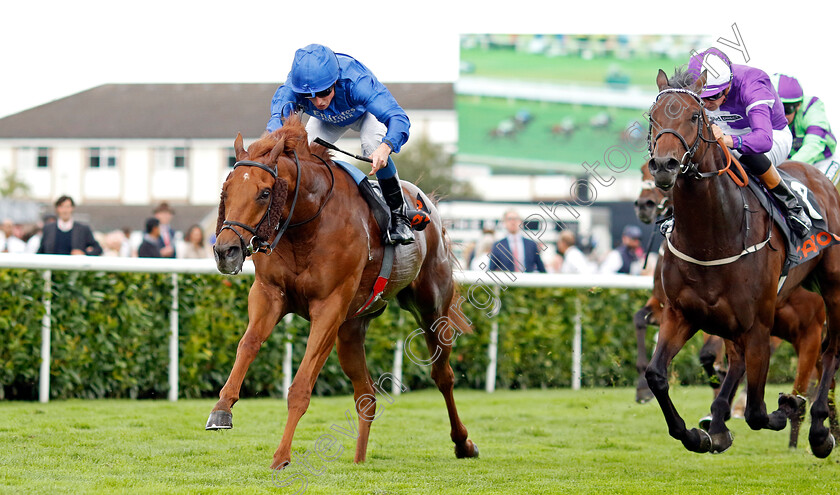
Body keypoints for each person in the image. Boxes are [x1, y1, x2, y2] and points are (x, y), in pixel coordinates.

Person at [267, 43, 414, 245]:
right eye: (309, 96)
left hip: (365, 114)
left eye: (324, 92)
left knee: (372, 144)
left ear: (335, 81)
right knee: (300, 154)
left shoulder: (358, 82)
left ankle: (400, 216)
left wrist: (386, 146)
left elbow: (399, 118)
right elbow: (277, 124)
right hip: (326, 120)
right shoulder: (292, 89)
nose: (318, 101)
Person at [686, 48, 811, 237]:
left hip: (771, 134)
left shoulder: (753, 82)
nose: (706, 103)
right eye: (701, 97)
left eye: (712, 96)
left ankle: (791, 206)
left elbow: (763, 140)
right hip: (724, 133)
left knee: (744, 155)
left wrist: (726, 140)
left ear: (728, 86)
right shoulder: (696, 87)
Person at [770, 73, 839, 184]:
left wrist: (787, 165)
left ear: (799, 105)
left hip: (821, 162)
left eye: (786, 109)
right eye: (775, 108)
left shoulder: (812, 107)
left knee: (818, 196)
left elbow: (814, 145)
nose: (781, 115)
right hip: (787, 163)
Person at [37, 196, 102, 256]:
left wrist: (84, 254)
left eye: (67, 207)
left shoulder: (83, 229)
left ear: (72, 208)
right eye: (62, 207)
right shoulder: (48, 229)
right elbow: (41, 251)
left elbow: (98, 249)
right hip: (52, 266)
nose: (65, 210)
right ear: (57, 209)